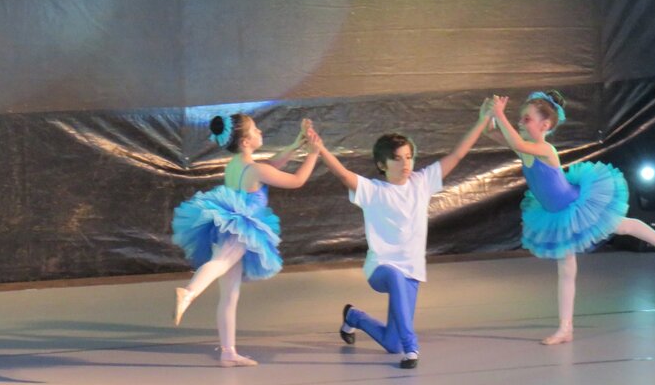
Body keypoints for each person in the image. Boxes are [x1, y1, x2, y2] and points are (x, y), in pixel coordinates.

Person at [489, 91, 655, 346]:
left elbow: (517, 143)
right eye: (520, 118)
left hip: (575, 205)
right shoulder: (525, 149)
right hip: (555, 215)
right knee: (566, 270)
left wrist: (499, 114)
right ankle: (565, 329)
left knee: (622, 225)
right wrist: (489, 118)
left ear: (545, 125)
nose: (519, 122)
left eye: (525, 119)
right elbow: (496, 135)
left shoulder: (545, 149)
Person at [311, 103, 494, 369]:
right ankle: (412, 347)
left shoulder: (422, 182)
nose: (405, 163)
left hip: (412, 271)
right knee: (396, 282)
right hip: (381, 268)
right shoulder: (373, 190)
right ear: (381, 164)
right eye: (397, 159)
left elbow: (457, 155)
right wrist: (320, 148)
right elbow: (342, 173)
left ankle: (354, 317)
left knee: (391, 343)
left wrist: (482, 120)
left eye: (408, 157)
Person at [171, 113, 321, 366]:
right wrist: (314, 154)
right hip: (242, 229)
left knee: (230, 294)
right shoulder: (257, 170)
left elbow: (273, 164)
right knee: (220, 264)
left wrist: (296, 144)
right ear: (245, 142)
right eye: (256, 129)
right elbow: (297, 180)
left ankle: (228, 352)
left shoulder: (236, 165)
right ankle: (188, 293)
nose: (260, 132)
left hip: (225, 226)